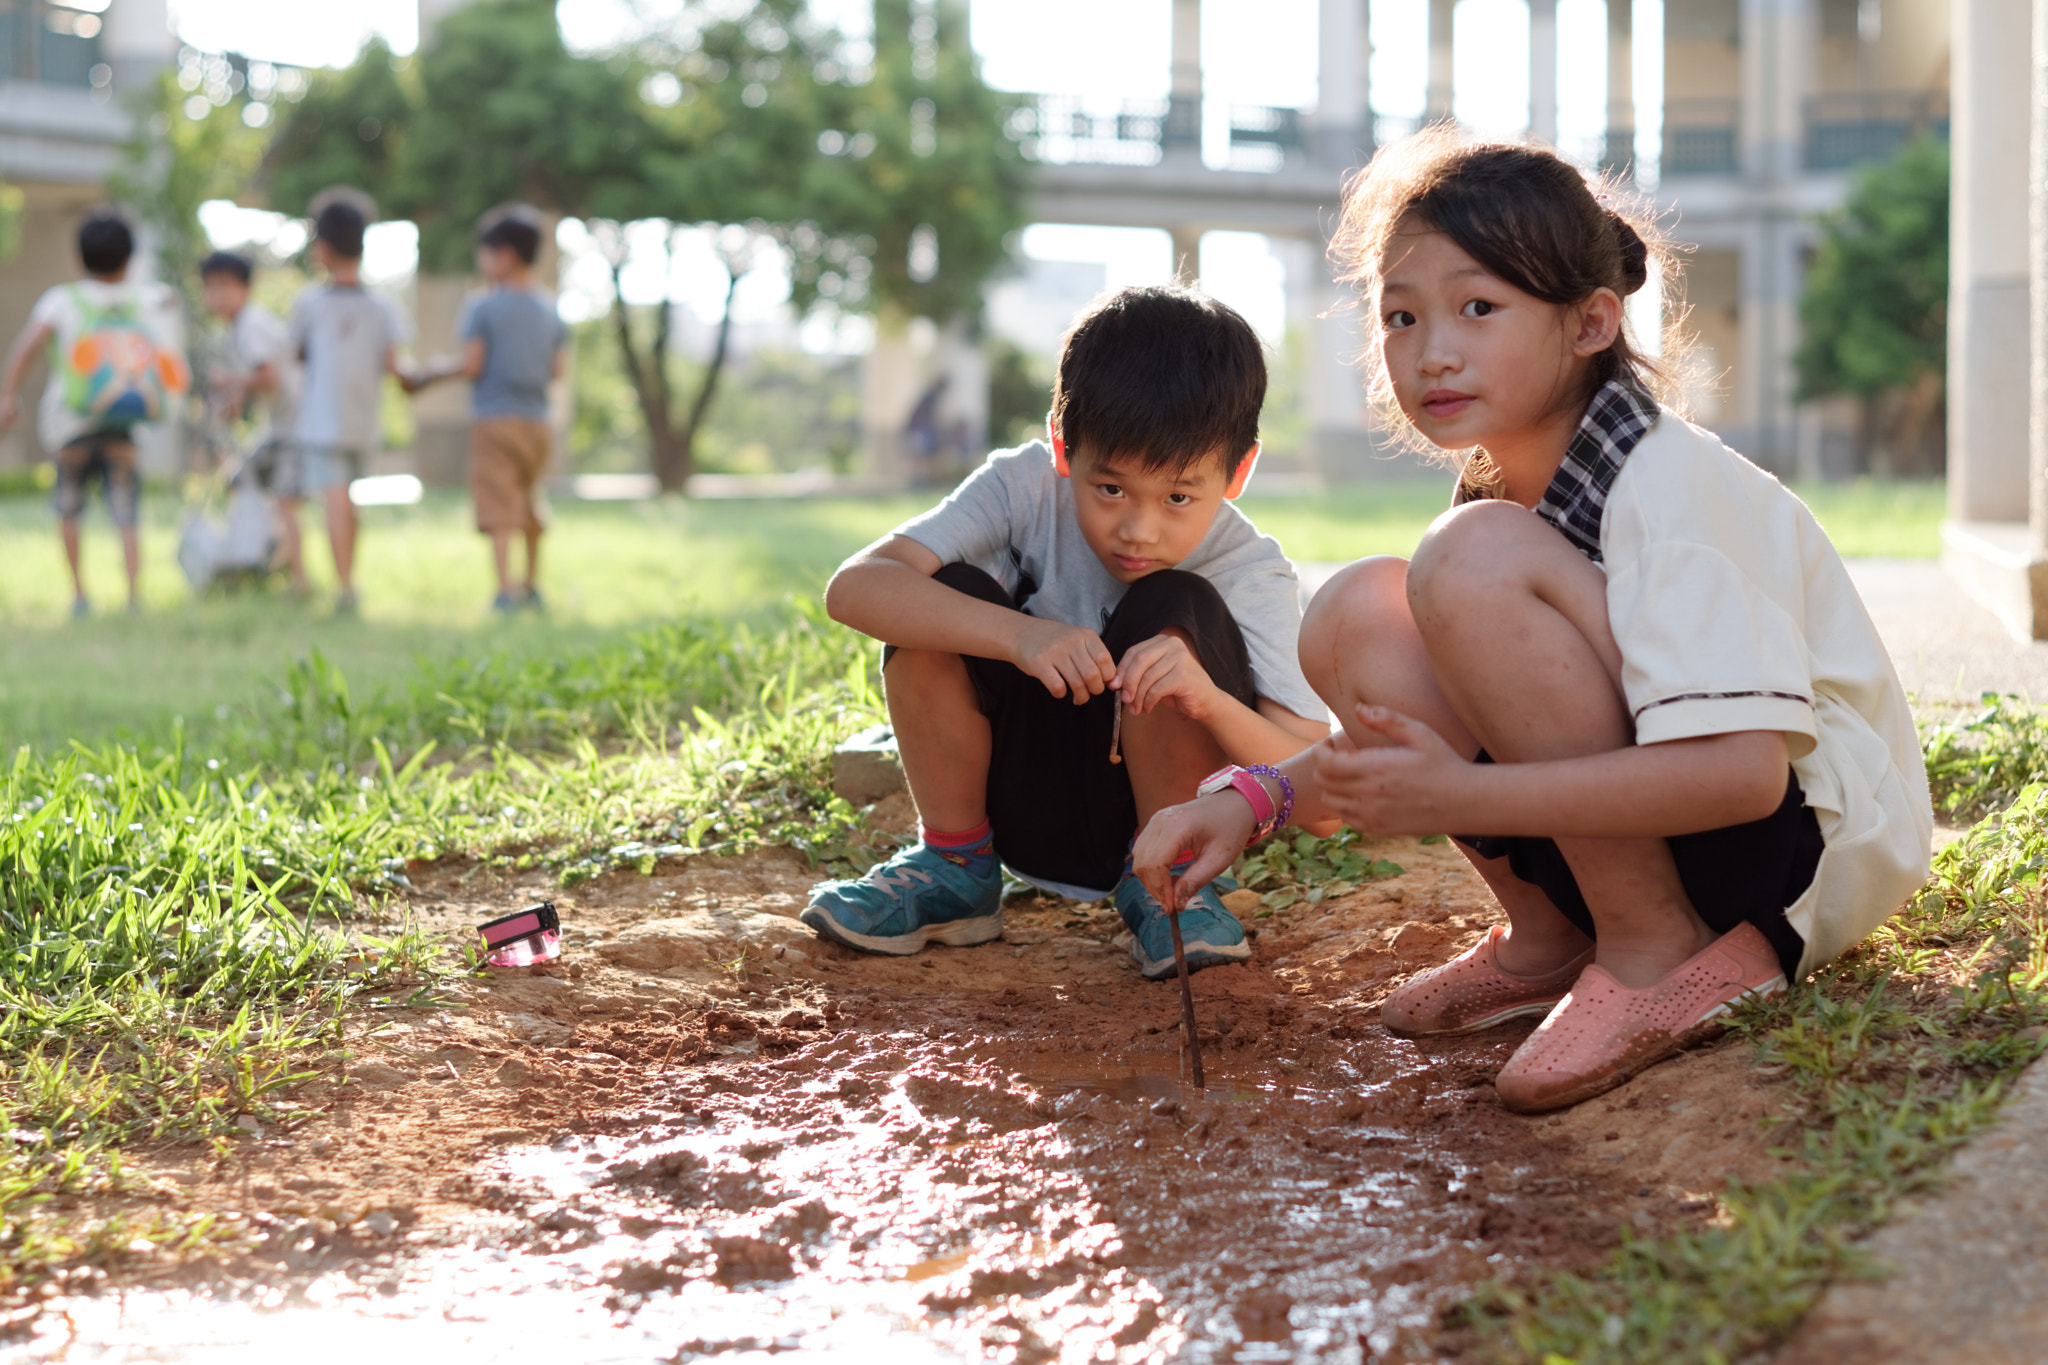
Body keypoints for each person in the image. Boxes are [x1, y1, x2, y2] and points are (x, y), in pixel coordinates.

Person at [1133, 130, 1932, 1113]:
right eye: (1400, 315)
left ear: (1590, 321)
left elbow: (1740, 771)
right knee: (1357, 613)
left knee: (1460, 562)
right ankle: (1553, 937)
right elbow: (1436, 718)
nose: (1430, 351)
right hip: (1676, 812)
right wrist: (1250, 800)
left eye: (1478, 307)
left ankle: (1650, 949)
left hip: (1787, 848)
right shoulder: (1502, 495)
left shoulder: (1668, 486)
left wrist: (1462, 799)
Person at [805, 285, 1335, 980]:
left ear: (1238, 472)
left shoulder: (1250, 569)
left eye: (1179, 496)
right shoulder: (1023, 487)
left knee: (1175, 602)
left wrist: (1208, 699)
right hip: (1026, 789)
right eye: (1110, 489)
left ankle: (1172, 885)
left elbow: (1323, 797)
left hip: (1165, 819)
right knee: (942, 594)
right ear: (1063, 444)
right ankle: (955, 868)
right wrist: (1022, 637)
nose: (1138, 528)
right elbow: (856, 586)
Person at [0, 210, 186, 616]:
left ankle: (80, 595)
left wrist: (7, 397)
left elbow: (26, 348)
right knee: (127, 512)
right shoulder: (146, 297)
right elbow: (170, 323)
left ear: (78, 257)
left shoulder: (62, 301)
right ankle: (134, 596)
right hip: (125, 424)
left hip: (70, 423)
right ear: (130, 257)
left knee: (69, 507)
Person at [406, 204, 565, 612]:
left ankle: (504, 588)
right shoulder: (551, 309)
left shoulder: (484, 307)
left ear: (506, 254)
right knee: (529, 500)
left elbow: (472, 365)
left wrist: (434, 373)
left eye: (486, 252)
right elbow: (557, 370)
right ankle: (531, 583)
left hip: (494, 417)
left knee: (497, 503)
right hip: (538, 421)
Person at [285, 191, 410, 614]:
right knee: (348, 502)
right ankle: (347, 580)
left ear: (321, 249)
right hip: (364, 420)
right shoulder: (382, 306)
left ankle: (344, 586)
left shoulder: (309, 304)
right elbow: (396, 366)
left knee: (336, 501)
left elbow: (297, 355)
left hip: (323, 420)